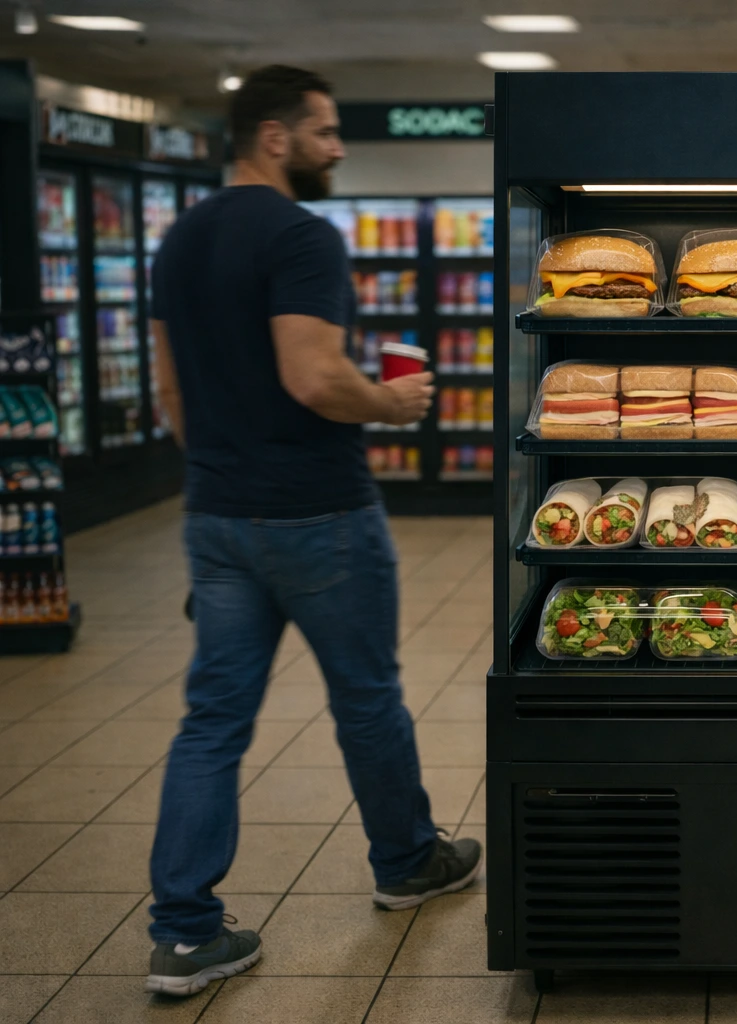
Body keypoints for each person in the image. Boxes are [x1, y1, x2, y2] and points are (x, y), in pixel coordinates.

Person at [143, 65, 481, 997]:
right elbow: (314, 375)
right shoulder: (300, 237)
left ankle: (182, 932)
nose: (338, 148)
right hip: (319, 514)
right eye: (325, 133)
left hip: (216, 517)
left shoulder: (179, 239)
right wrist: (393, 402)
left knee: (212, 721)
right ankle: (407, 862)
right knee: (366, 698)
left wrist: (223, 471)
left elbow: (171, 392)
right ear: (275, 137)